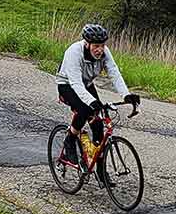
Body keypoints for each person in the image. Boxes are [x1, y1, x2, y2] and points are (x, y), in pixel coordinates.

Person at [56, 23, 140, 168]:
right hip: (67, 84)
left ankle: (100, 170)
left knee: (98, 126)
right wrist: (92, 101)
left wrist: (126, 95)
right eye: (96, 46)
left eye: (102, 45)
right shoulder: (74, 52)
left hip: (87, 84)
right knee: (85, 110)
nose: (100, 50)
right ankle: (70, 139)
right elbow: (76, 83)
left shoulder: (105, 52)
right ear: (87, 44)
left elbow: (114, 73)